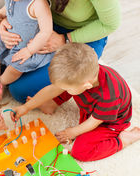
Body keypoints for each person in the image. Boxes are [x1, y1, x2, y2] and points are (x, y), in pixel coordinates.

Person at [10, 43, 140, 162]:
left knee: (80, 151)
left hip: (109, 122)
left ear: (87, 86)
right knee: (67, 87)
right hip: (90, 104)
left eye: (66, 89)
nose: (63, 90)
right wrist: (26, 107)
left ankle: (123, 140)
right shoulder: (84, 75)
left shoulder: (110, 96)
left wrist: (72, 132)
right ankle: (52, 104)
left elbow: (93, 122)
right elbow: (52, 89)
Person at [0, 0, 121, 113]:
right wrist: (7, 19)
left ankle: (56, 100)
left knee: (19, 90)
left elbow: (110, 24)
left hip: (84, 35)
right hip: (46, 24)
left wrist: (66, 39)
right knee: (7, 66)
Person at [0, 0, 54, 86]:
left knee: (13, 70)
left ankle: (0, 84)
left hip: (27, 48)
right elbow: (7, 7)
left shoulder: (38, 4)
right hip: (9, 41)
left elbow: (46, 32)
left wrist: (29, 50)